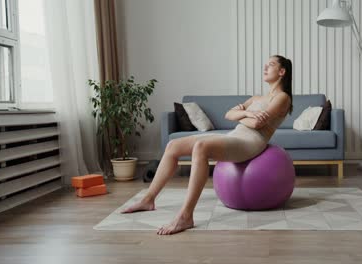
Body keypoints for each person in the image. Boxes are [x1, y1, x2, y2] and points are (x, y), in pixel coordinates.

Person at [121, 55, 293, 235]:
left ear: (282, 72)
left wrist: (243, 115)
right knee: (173, 145)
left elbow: (257, 125)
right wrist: (249, 115)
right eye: (265, 65)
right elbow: (228, 114)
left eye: (271, 65)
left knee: (201, 147)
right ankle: (148, 199)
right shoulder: (256, 98)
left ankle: (186, 216)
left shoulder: (282, 98)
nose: (265, 68)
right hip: (236, 135)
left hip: (250, 142)